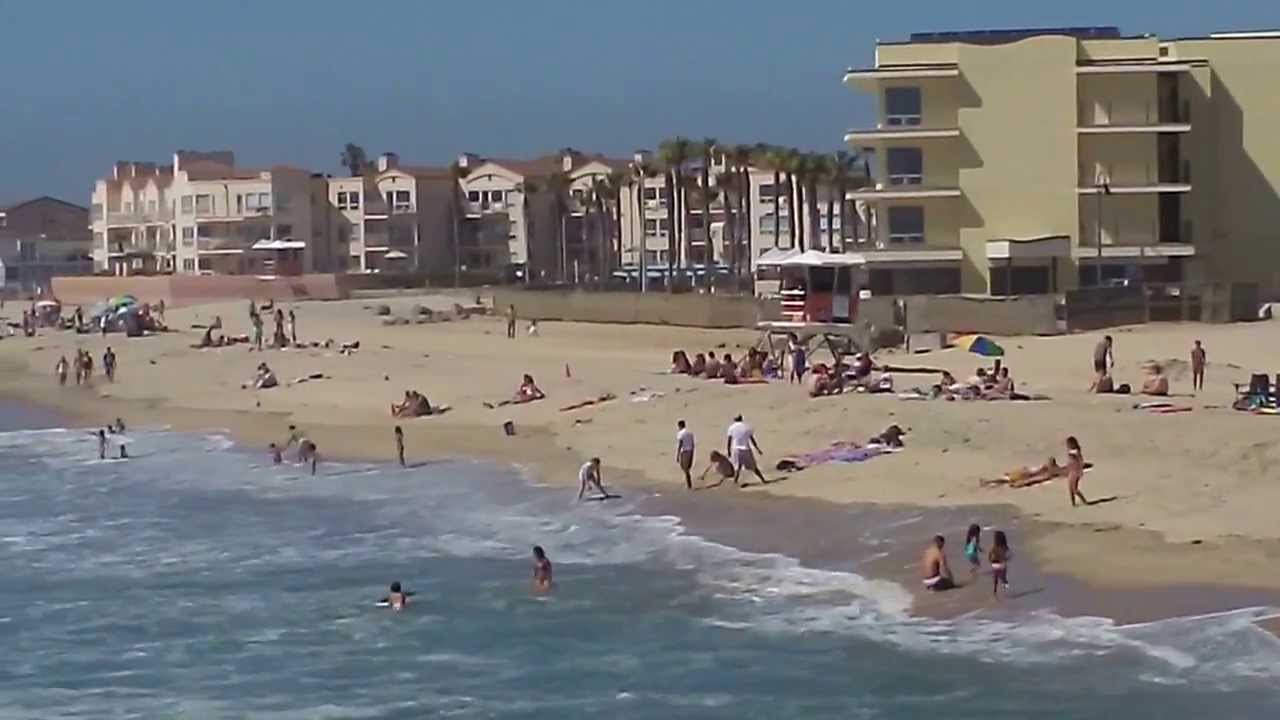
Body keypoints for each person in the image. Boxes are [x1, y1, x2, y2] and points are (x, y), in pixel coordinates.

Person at [725, 414, 766, 487]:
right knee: (753, 467)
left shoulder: (731, 428)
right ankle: (763, 479)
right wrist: (757, 449)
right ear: (742, 419)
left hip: (736, 449)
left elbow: (729, 440)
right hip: (746, 449)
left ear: (734, 419)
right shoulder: (747, 427)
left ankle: (735, 482)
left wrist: (728, 451)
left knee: (737, 467)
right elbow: (752, 439)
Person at [1065, 436, 1088, 507]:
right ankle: (1073, 503)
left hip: (1076, 471)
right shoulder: (1070, 451)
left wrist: (1080, 469)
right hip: (1071, 471)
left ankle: (1084, 501)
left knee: (1074, 489)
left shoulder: (1076, 451)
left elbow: (1080, 461)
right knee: (1070, 488)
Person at [989, 530, 1011, 598]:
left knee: (995, 576)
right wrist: (1007, 559)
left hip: (994, 564)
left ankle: (995, 591)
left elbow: (990, 555)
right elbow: (1008, 555)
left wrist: (990, 560)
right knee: (1003, 575)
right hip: (1002, 564)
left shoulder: (994, 546)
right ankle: (1004, 582)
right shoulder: (1005, 547)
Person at [675, 420, 695, 490]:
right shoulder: (690, 433)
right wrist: (692, 452)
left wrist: (677, 455)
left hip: (685, 452)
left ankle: (689, 485)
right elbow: (693, 444)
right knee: (686, 468)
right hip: (690, 451)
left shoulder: (680, 433)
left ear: (680, 426)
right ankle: (687, 482)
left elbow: (680, 444)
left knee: (685, 469)